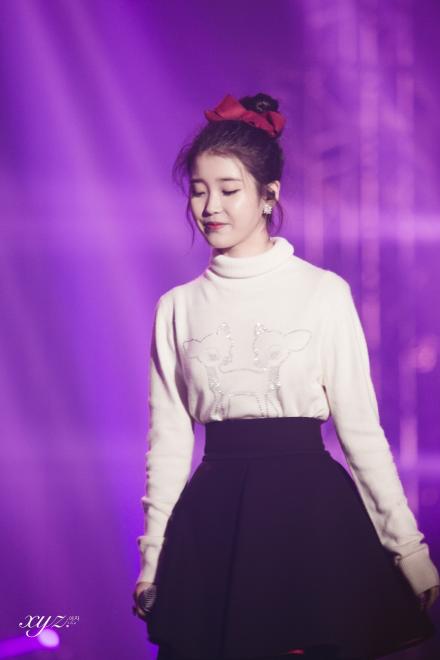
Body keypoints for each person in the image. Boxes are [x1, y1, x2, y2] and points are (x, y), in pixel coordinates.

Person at [132, 92, 440, 660]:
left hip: (311, 516)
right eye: (198, 190)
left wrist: (409, 551)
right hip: (215, 521)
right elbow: (169, 443)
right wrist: (152, 560)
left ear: (269, 195)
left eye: (229, 189)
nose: (210, 206)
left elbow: (361, 433)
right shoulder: (176, 306)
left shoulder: (322, 292)